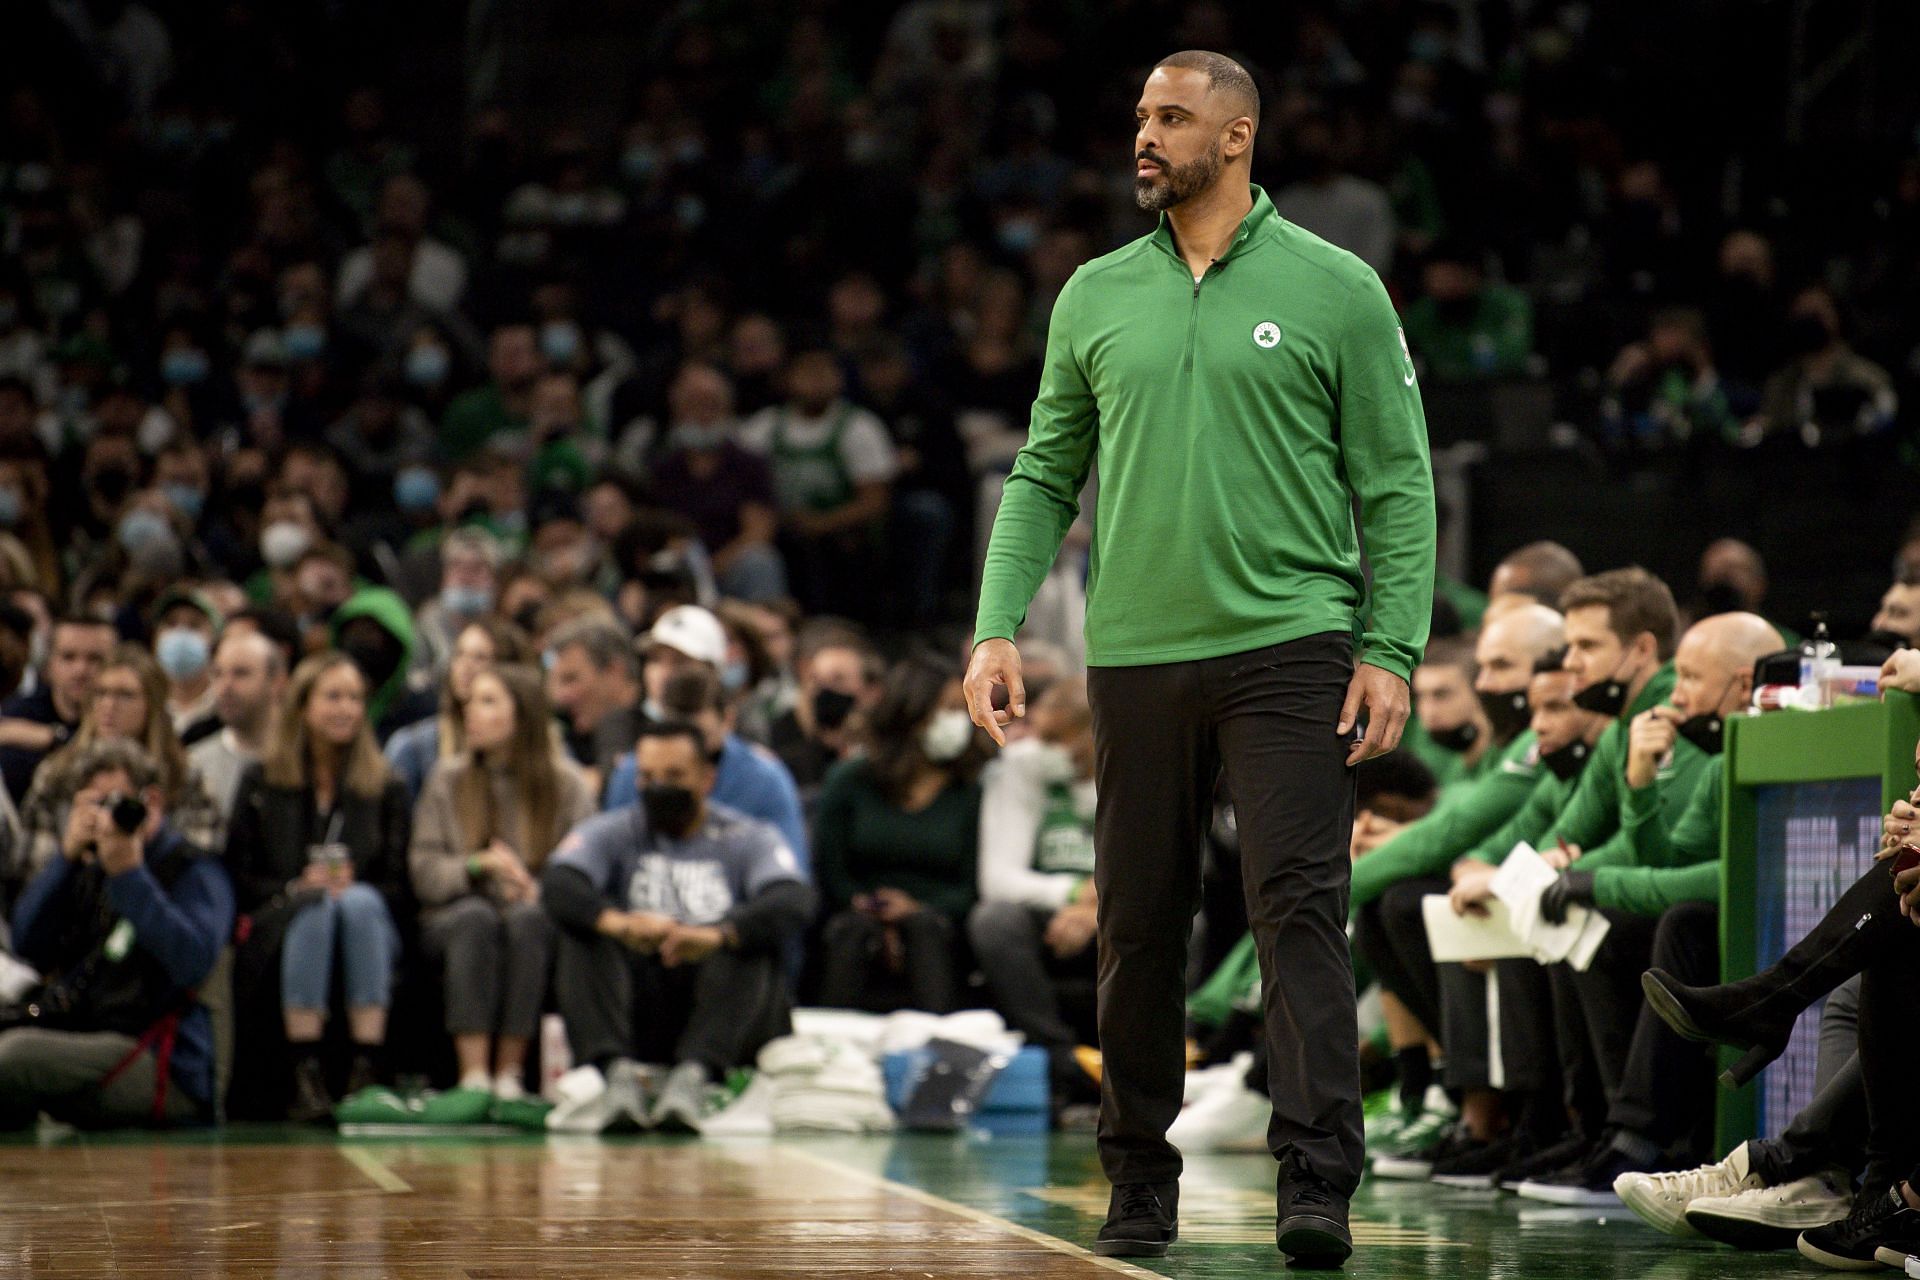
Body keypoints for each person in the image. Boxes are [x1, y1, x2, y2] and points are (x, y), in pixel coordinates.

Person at [964, 51, 1434, 1266]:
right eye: (1139, 117)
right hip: (1136, 656)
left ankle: (1317, 1178)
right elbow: (1041, 475)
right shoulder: (1092, 294)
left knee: (1299, 911)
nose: (1146, 135)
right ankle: (1137, 1181)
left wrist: (1390, 643)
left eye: (1171, 118)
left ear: (1236, 138)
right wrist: (996, 624)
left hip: (1293, 645)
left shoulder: (1338, 289)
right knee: (1137, 926)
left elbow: (1395, 482)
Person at [540, 721, 814, 1133]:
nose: (659, 788)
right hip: (638, 1001)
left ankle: (695, 1077)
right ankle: (616, 1077)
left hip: (717, 1004)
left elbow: (793, 899)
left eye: (674, 776)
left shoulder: (746, 835)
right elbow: (559, 884)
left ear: (707, 779)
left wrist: (716, 934)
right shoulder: (616, 830)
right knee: (583, 935)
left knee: (751, 944)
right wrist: (619, 924)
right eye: (648, 777)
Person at [0, 740, 234, 1128]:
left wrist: (130, 875)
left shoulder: (194, 870)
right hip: (83, 1034)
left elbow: (192, 961)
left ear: (152, 802)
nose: (108, 818)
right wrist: (66, 858)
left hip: (159, 1055)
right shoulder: (90, 867)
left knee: (13, 1057)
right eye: (96, 804)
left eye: (118, 803)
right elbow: (28, 946)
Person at [224, 654, 412, 1122]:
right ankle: (303, 1071)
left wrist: (352, 884)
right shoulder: (261, 780)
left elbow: (399, 883)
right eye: (333, 697)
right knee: (314, 908)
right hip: (280, 918)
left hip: (365, 919)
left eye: (354, 698)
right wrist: (296, 884)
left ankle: (364, 1069)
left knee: (359, 902)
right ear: (303, 706)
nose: (345, 708)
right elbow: (239, 876)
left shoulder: (385, 785)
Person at [409, 664, 593, 1124]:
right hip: (453, 919)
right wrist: (476, 865)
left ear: (524, 716)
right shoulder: (446, 779)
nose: (472, 712)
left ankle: (509, 1073)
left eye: (489, 702)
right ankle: (474, 1076)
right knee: (476, 918)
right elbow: (423, 871)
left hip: (533, 919)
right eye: (471, 702)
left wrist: (541, 890)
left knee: (527, 921)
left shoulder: (566, 785)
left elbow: (588, 869)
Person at [816, 657, 986, 1015]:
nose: (958, 722)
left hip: (941, 923)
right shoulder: (850, 781)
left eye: (963, 710)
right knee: (853, 932)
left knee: (925, 929)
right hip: (858, 914)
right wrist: (864, 905)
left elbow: (971, 886)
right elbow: (830, 868)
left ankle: (937, 1049)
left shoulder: (970, 791)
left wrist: (918, 909)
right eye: (948, 710)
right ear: (910, 714)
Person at [967, 677, 1099, 1106]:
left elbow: (1162, 867)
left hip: (1114, 913)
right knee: (993, 921)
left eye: (1056, 739)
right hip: (1047, 916)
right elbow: (998, 880)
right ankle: (1058, 1058)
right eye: (1041, 735)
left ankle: (1164, 1050)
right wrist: (1078, 893)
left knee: (1181, 915)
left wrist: (1099, 905)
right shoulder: (1020, 767)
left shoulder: (1138, 769)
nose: (1043, 749)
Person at [11, 646, 226, 896]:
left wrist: (153, 842)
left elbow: (204, 869)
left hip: (161, 901)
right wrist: (70, 853)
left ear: (153, 705)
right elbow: (30, 874)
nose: (108, 705)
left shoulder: (183, 775)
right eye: (100, 693)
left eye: (125, 695)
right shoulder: (57, 774)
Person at [602, 666, 808, 872]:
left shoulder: (765, 779)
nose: (692, 753)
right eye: (678, 739)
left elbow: (790, 871)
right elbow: (608, 860)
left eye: (701, 737)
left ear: (727, 720)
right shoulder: (633, 773)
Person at [384, 618, 532, 805]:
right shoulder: (412, 748)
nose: (466, 666)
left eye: (480, 657)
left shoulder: (547, 747)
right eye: (459, 654)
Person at [0, 615, 114, 803]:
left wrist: (52, 737)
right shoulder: (19, 712)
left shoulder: (130, 715)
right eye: (68, 657)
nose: (81, 670)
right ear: (49, 664)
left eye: (95, 659)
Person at [768, 621, 880, 804]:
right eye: (816, 681)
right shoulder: (781, 744)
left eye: (838, 679)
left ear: (868, 690)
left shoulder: (881, 748)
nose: (825, 690)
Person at [188, 629, 287, 821]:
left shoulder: (307, 758)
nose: (225, 687)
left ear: (277, 682)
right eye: (218, 674)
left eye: (240, 674)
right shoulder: (195, 766)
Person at [543, 615, 642, 796]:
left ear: (614, 671)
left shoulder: (659, 724)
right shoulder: (568, 733)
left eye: (571, 679)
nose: (559, 697)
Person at [150, 588, 222, 742]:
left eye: (194, 625)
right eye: (171, 623)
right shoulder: (146, 705)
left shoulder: (224, 705)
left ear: (214, 638)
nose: (181, 633)